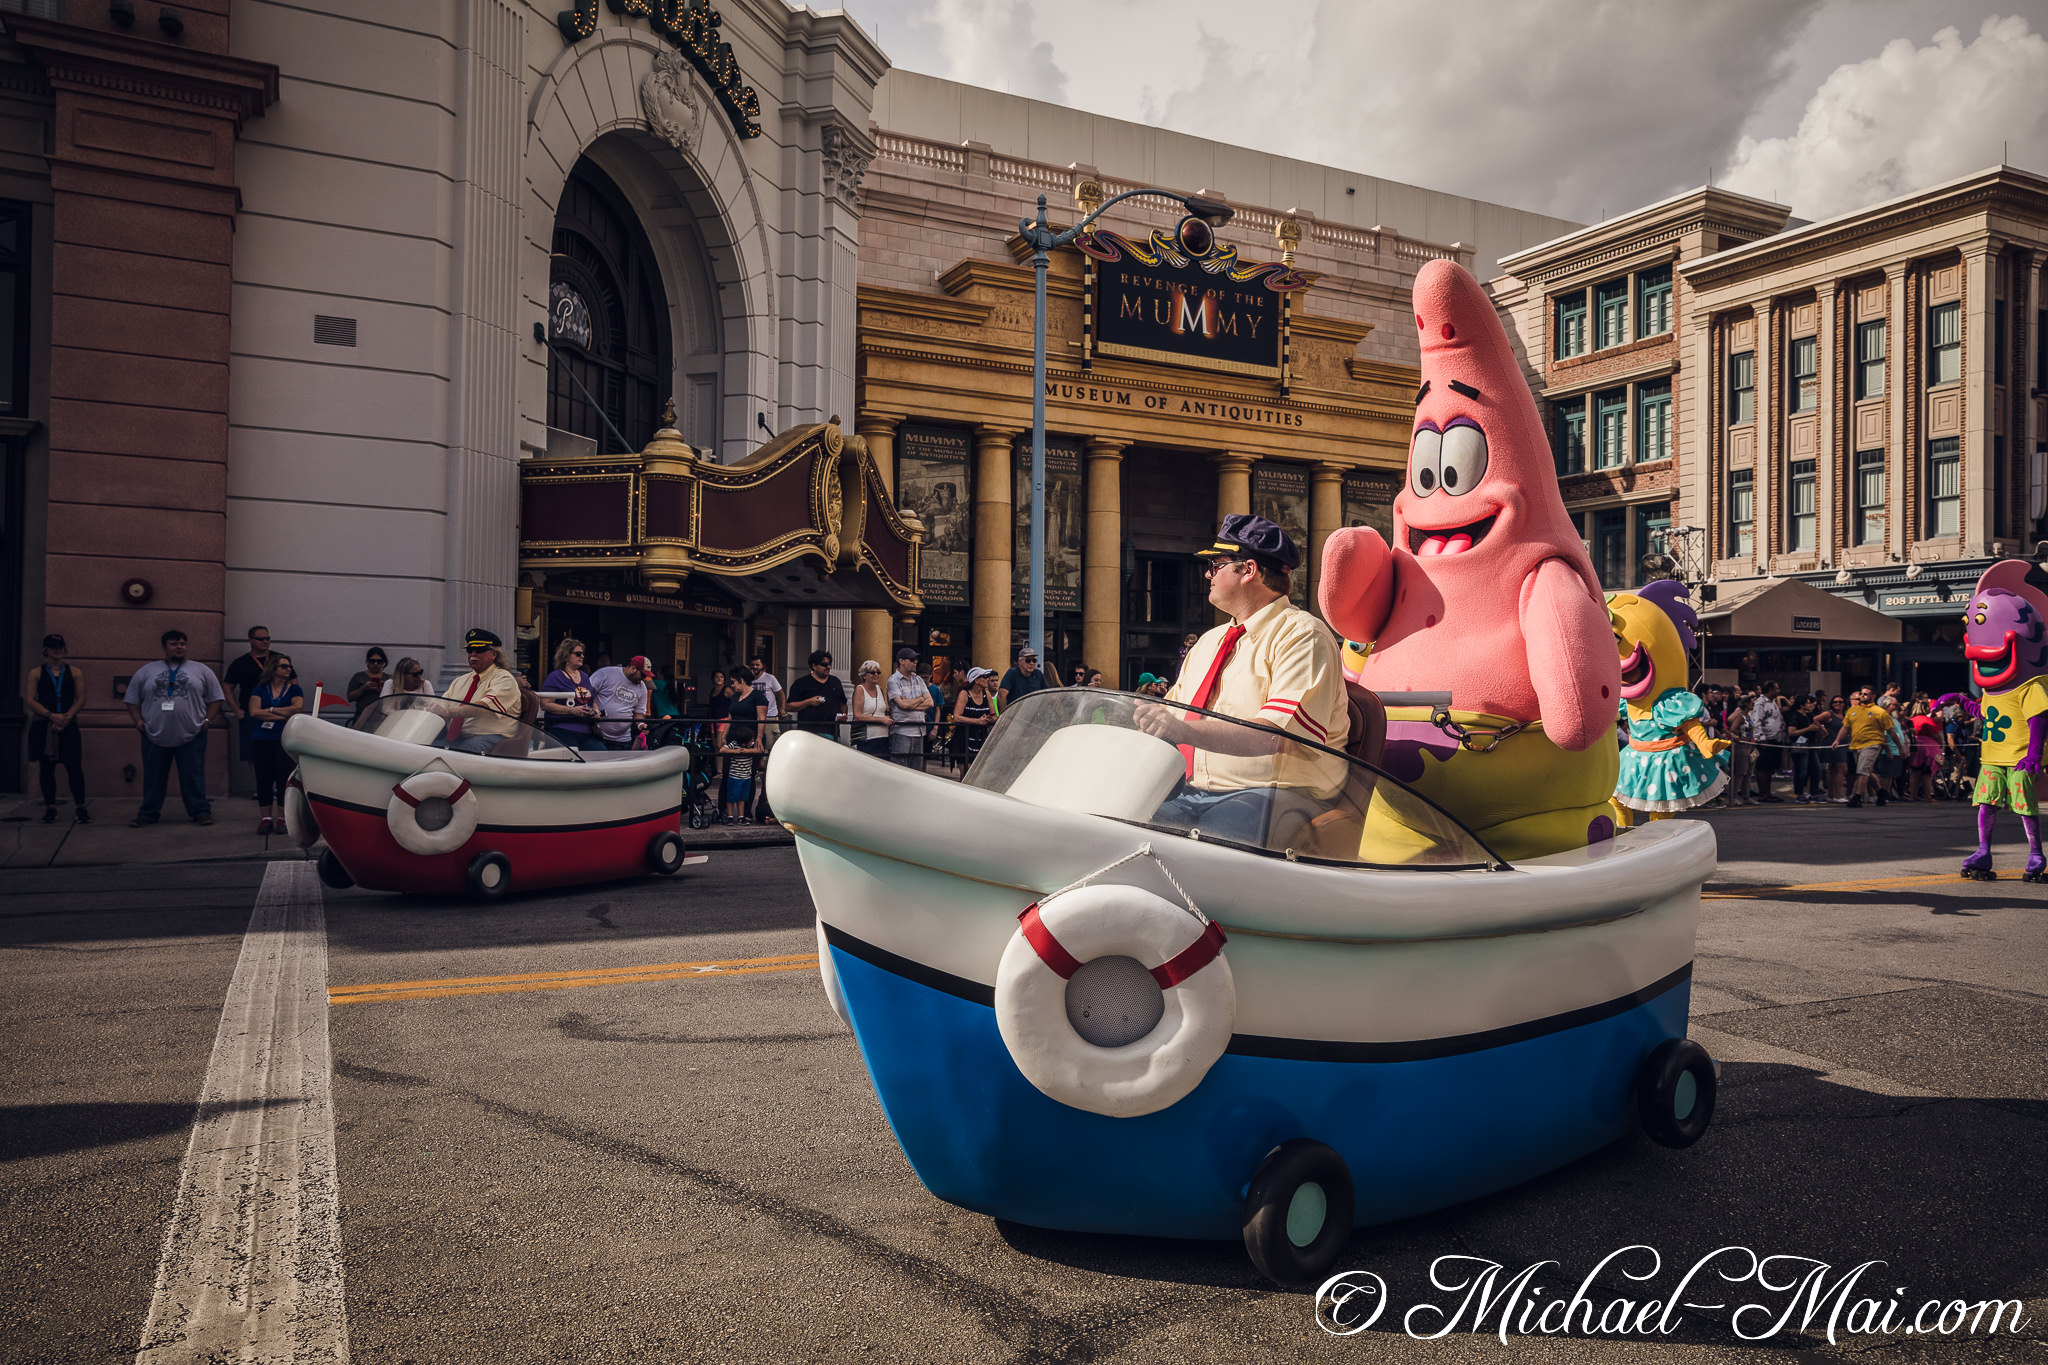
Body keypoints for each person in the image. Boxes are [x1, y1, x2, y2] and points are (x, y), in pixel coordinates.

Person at [1141, 514, 1350, 846]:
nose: (1208, 573)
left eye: (1217, 565)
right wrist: (1141, 719)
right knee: (1120, 824)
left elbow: (1276, 736)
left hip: (1276, 794)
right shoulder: (1210, 642)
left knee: (1210, 854)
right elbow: (1175, 715)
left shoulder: (1302, 635)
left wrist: (1181, 730)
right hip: (1193, 791)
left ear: (1248, 570)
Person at [124, 628, 227, 827]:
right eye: (174, 644)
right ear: (164, 647)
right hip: (154, 733)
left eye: (182, 643)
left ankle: (200, 811)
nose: (179, 647)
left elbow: (216, 698)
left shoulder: (201, 670)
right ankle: (148, 813)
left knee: (193, 775)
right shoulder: (147, 671)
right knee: (154, 776)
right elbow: (131, 698)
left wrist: (208, 720)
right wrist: (137, 720)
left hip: (192, 733)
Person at [23, 633, 87, 824]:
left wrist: (67, 717)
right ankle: (50, 807)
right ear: (46, 650)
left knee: (74, 767)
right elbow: (29, 699)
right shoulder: (36, 672)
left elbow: (81, 698)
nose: (57, 650)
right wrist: (51, 716)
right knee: (46, 768)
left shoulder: (75, 672)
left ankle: (80, 807)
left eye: (60, 646)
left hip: (68, 724)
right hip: (44, 725)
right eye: (53, 647)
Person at [244, 653, 305, 833]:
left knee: (282, 778)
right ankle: (265, 818)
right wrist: (280, 714)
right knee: (263, 778)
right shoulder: (260, 689)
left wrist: (269, 710)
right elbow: (254, 712)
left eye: (289, 667)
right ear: (273, 669)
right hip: (262, 738)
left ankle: (281, 819)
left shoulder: (294, 689)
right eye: (284, 667)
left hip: (283, 738)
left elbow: (297, 709)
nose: (288, 670)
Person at [441, 628, 522, 750]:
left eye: (479, 650)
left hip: (490, 736)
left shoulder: (505, 679)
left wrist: (450, 712)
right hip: (459, 737)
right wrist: (423, 707)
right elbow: (441, 705)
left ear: (494, 654)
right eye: (470, 650)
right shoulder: (460, 681)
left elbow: (483, 707)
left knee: (464, 751)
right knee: (429, 747)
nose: (473, 654)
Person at [222, 625, 274, 795]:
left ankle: (275, 787)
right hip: (251, 713)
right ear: (251, 640)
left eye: (268, 638)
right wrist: (237, 710)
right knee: (253, 752)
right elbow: (227, 686)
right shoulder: (241, 663)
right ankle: (261, 788)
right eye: (261, 639)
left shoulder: (277, 660)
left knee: (275, 750)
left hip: (276, 713)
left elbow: (293, 681)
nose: (265, 642)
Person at [539, 638, 601, 749]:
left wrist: (596, 711)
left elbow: (592, 700)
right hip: (561, 729)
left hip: (587, 732)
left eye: (582, 654)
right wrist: (571, 710)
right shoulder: (555, 676)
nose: (582, 656)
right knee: (573, 756)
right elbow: (545, 704)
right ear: (566, 656)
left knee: (602, 753)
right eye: (578, 654)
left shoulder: (585, 677)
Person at [885, 645, 933, 769]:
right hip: (902, 731)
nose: (915, 662)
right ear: (901, 661)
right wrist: (921, 699)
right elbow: (902, 704)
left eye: (916, 660)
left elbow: (930, 702)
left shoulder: (918, 679)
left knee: (917, 771)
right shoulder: (893, 681)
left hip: (919, 731)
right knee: (900, 769)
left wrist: (910, 705)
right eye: (912, 660)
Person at [588, 655, 651, 748]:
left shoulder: (642, 688)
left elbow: (639, 712)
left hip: (623, 740)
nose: (644, 678)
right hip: (598, 735)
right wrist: (594, 710)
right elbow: (587, 693)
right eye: (643, 675)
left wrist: (640, 724)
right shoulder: (606, 673)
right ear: (633, 668)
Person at [1843, 686, 1889, 808]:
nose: (1861, 696)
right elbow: (1845, 727)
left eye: (1865, 694)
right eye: (1861, 694)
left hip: (1872, 744)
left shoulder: (1879, 711)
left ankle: (1857, 797)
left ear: (1873, 696)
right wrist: (1837, 740)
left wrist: (1899, 748)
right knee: (1865, 771)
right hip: (1856, 744)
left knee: (1862, 771)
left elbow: (1890, 732)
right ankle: (1881, 792)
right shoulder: (1853, 711)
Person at [785, 649, 846, 738]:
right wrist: (808, 702)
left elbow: (843, 703)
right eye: (824, 665)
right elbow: (789, 706)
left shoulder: (835, 681)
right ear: (814, 666)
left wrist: (843, 715)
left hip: (833, 732)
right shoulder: (801, 683)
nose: (828, 667)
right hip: (808, 732)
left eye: (829, 664)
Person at [1747, 682, 1786, 802]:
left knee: (1769, 768)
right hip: (1765, 740)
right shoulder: (1760, 703)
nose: (1778, 691)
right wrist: (1761, 738)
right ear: (1770, 690)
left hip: (1774, 739)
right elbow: (1756, 721)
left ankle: (1768, 792)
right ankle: (1763, 793)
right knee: (1763, 767)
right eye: (1776, 688)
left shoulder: (1771, 702)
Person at [719, 721, 764, 823]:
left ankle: (741, 816)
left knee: (742, 798)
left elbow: (760, 750)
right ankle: (730, 816)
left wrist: (747, 751)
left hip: (746, 777)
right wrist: (736, 751)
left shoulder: (751, 746)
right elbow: (722, 750)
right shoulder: (734, 745)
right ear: (744, 742)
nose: (753, 740)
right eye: (751, 739)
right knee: (731, 797)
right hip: (734, 777)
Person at [951, 666, 997, 764]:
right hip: (964, 737)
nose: (987, 679)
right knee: (965, 770)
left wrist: (989, 719)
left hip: (980, 737)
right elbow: (956, 717)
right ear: (976, 680)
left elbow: (994, 716)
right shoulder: (964, 694)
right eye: (985, 677)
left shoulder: (987, 694)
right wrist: (977, 721)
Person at [851, 660, 889, 757]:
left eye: (878, 672)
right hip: (866, 737)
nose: (876, 674)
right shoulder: (860, 689)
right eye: (872, 672)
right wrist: (881, 720)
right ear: (864, 675)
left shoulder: (879, 689)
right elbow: (857, 715)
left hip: (883, 735)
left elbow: (882, 711)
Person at [345, 648, 389, 722]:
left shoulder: (388, 679)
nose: (376, 664)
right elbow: (350, 698)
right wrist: (363, 688)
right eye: (372, 661)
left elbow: (394, 698)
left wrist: (383, 690)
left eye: (379, 661)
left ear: (383, 663)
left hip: (382, 717)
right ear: (367, 662)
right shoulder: (358, 676)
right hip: (362, 716)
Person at [748, 654, 783, 724]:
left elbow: (780, 694)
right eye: (752, 665)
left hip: (770, 716)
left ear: (762, 665)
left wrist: (782, 709)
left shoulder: (770, 678)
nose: (755, 667)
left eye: (757, 665)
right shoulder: (747, 679)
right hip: (752, 716)